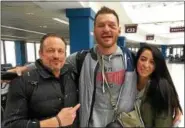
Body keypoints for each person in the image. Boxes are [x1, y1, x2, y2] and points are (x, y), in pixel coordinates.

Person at [5, 6, 182, 127]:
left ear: (118, 30)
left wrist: (176, 104)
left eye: (111, 25)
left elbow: (158, 74)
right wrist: (20, 69)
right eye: (101, 25)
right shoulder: (81, 58)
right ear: (94, 30)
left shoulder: (131, 59)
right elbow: (53, 61)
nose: (106, 29)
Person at [2, 33, 80, 128]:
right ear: (41, 53)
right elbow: (10, 125)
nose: (56, 55)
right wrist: (56, 122)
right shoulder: (22, 81)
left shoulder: (72, 74)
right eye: (50, 51)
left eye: (60, 51)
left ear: (65, 55)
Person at [135, 44, 183, 127]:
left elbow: (163, 123)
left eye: (152, 62)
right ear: (137, 60)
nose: (146, 65)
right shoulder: (129, 81)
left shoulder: (161, 88)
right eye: (143, 59)